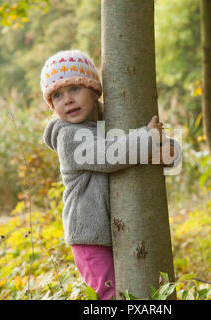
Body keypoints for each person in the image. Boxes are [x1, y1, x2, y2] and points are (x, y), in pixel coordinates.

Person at [40, 49, 181, 300]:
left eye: (75, 89)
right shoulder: (68, 136)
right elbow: (109, 154)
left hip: (119, 230)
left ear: (94, 90)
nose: (67, 100)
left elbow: (129, 147)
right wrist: (148, 139)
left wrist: (169, 151)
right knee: (111, 296)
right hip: (89, 237)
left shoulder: (111, 121)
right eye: (57, 96)